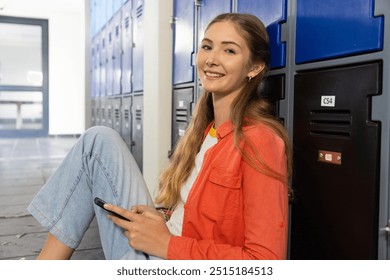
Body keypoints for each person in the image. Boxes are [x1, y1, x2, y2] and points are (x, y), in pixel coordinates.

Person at [28, 13, 292, 260]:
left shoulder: (260, 140)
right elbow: (194, 212)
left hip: (170, 258)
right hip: (162, 245)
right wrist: (160, 217)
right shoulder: (205, 130)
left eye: (229, 50)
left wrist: (166, 244)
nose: (211, 59)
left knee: (97, 143)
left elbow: (265, 260)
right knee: (96, 144)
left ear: (254, 67)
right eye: (207, 46)